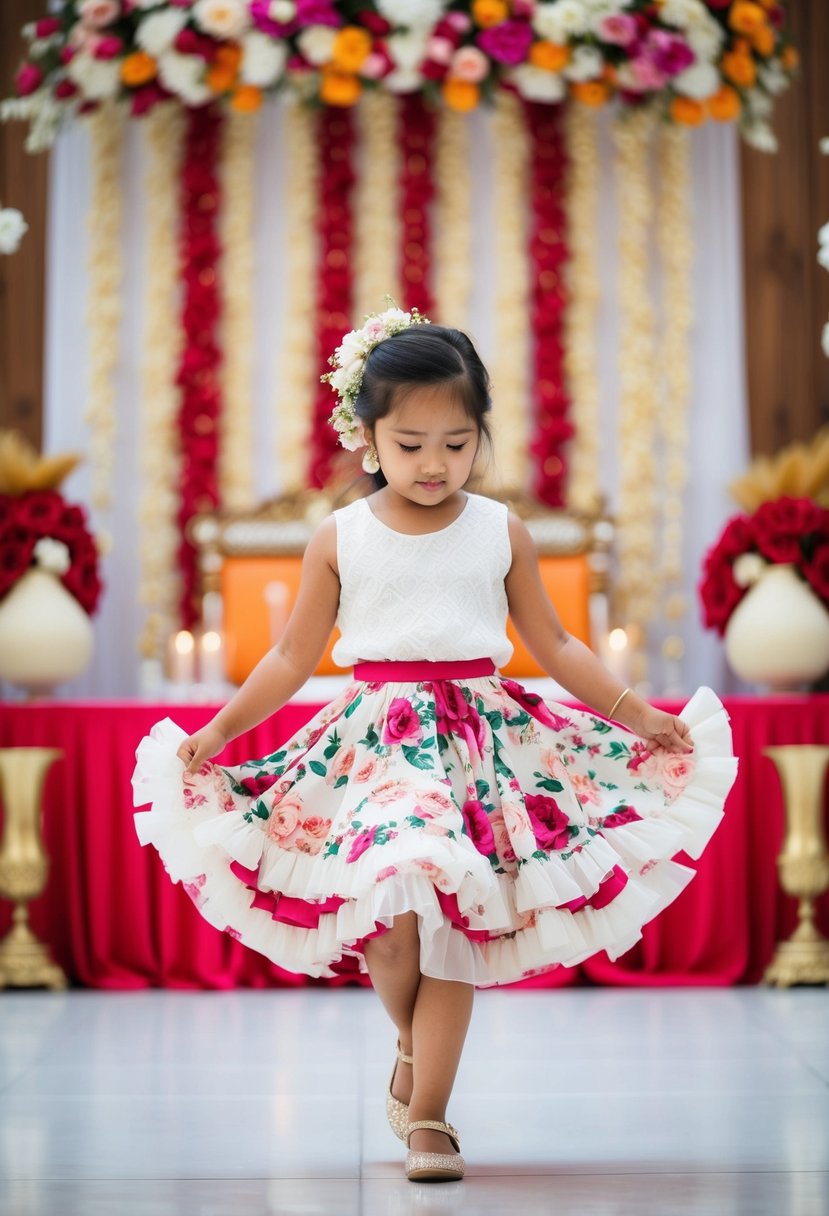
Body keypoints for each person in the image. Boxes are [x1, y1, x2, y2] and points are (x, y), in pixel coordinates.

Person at [133, 306, 737, 1184]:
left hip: (484, 745)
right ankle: (413, 1049)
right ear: (368, 438)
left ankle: (428, 1120)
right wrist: (221, 730)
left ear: (478, 438)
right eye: (410, 443)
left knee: (458, 914)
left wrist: (636, 713)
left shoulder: (501, 530)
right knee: (387, 925)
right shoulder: (341, 536)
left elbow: (558, 644)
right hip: (374, 742)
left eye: (455, 443)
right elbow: (292, 653)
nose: (433, 463)